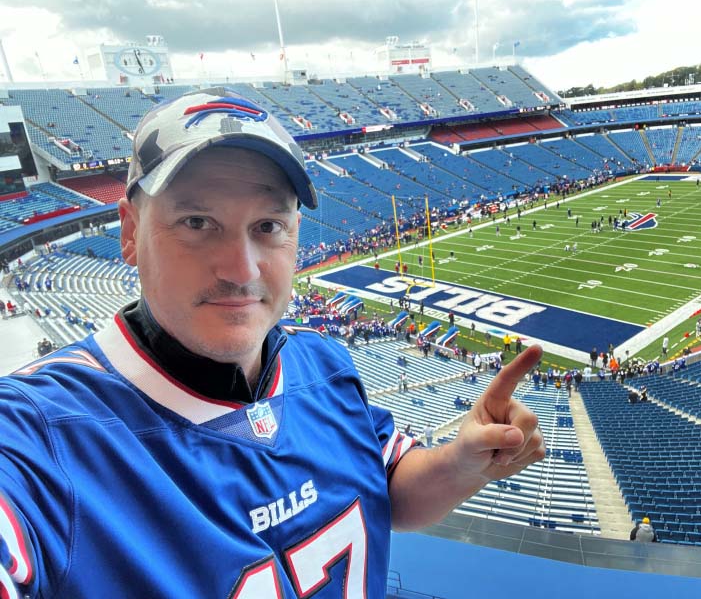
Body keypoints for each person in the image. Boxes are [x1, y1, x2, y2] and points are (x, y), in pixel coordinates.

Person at [0, 88, 546, 598]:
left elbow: (385, 487)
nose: (241, 270)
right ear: (128, 232)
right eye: (196, 222)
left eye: (267, 226)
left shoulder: (322, 362)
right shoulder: (39, 434)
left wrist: (460, 464)